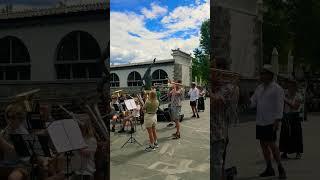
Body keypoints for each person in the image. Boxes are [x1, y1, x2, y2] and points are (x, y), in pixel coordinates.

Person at [250, 64, 286, 179]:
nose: (261, 76)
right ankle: (269, 167)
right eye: (261, 73)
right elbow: (253, 102)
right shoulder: (259, 88)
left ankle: (280, 167)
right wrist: (247, 101)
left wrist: (277, 120)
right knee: (263, 145)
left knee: (272, 145)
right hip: (260, 121)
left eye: (264, 73)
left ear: (270, 75)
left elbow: (280, 106)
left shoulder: (277, 89)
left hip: (271, 121)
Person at [211, 70, 234, 180]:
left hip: (218, 134)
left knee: (216, 166)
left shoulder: (228, 89)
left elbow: (215, 101)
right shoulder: (212, 88)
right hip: (211, 133)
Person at [279, 79, 303, 159]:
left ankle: (298, 152)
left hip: (295, 116)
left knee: (296, 134)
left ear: (295, 87)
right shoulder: (285, 93)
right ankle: (285, 152)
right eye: (289, 86)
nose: (290, 88)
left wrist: (286, 100)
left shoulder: (298, 95)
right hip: (286, 115)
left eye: (292, 86)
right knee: (285, 134)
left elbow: (295, 107)